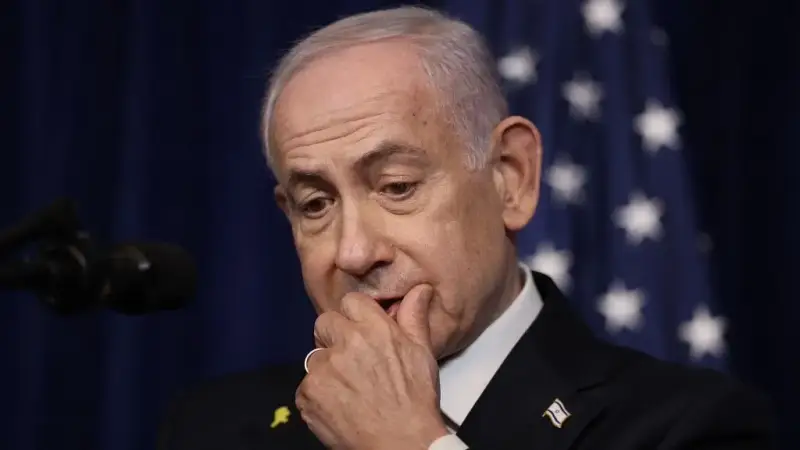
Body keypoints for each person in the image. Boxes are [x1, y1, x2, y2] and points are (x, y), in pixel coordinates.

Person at [157, 6, 776, 450]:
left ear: (510, 177)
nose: (355, 251)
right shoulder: (212, 429)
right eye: (316, 204)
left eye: (397, 186)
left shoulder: (690, 427)